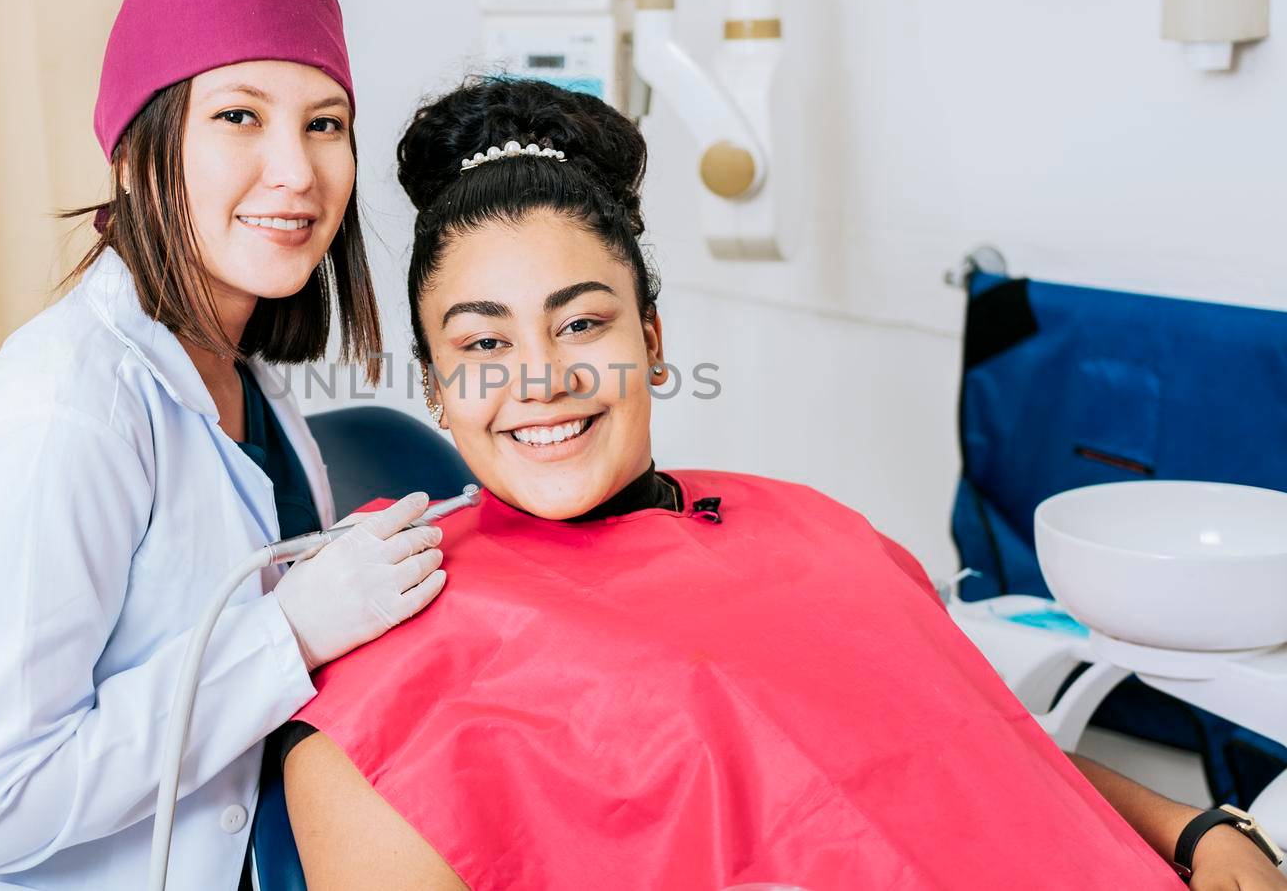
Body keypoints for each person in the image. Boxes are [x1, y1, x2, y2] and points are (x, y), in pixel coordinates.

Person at [278, 78, 1287, 890]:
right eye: (483, 341)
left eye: (583, 323)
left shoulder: (809, 527)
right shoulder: (390, 648)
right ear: (438, 388)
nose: (539, 378)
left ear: (653, 345)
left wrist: (1193, 827)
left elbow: (976, 746)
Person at [0, 0, 447, 890]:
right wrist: (288, 634)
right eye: (238, 118)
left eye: (325, 124)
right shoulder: (61, 418)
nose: (295, 171)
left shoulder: (236, 375)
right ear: (136, 155)